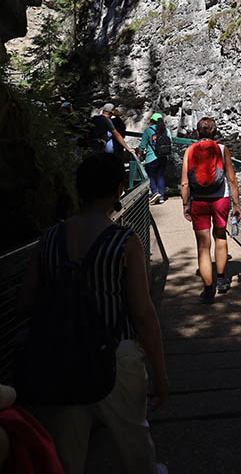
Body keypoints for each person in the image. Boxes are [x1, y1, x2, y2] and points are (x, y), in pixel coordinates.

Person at [19, 154, 169, 474]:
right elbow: (143, 313)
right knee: (134, 439)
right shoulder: (124, 242)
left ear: (78, 189)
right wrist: (160, 371)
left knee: (66, 451)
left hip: (60, 354)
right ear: (118, 191)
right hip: (115, 354)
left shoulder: (50, 238)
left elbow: (25, 301)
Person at [180, 117, 241, 302]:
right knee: (220, 237)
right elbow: (231, 179)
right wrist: (236, 204)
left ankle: (208, 289)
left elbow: (184, 183)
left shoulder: (189, 151)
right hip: (220, 199)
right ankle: (221, 280)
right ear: (214, 133)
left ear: (197, 134)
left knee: (203, 246)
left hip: (198, 201)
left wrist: (185, 205)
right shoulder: (222, 150)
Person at [137, 114, 172, 205]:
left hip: (151, 158)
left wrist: (139, 155)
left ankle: (154, 192)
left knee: (151, 176)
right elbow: (170, 142)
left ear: (152, 121)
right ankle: (162, 197)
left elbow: (142, 145)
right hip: (163, 157)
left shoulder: (148, 130)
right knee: (160, 176)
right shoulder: (166, 130)